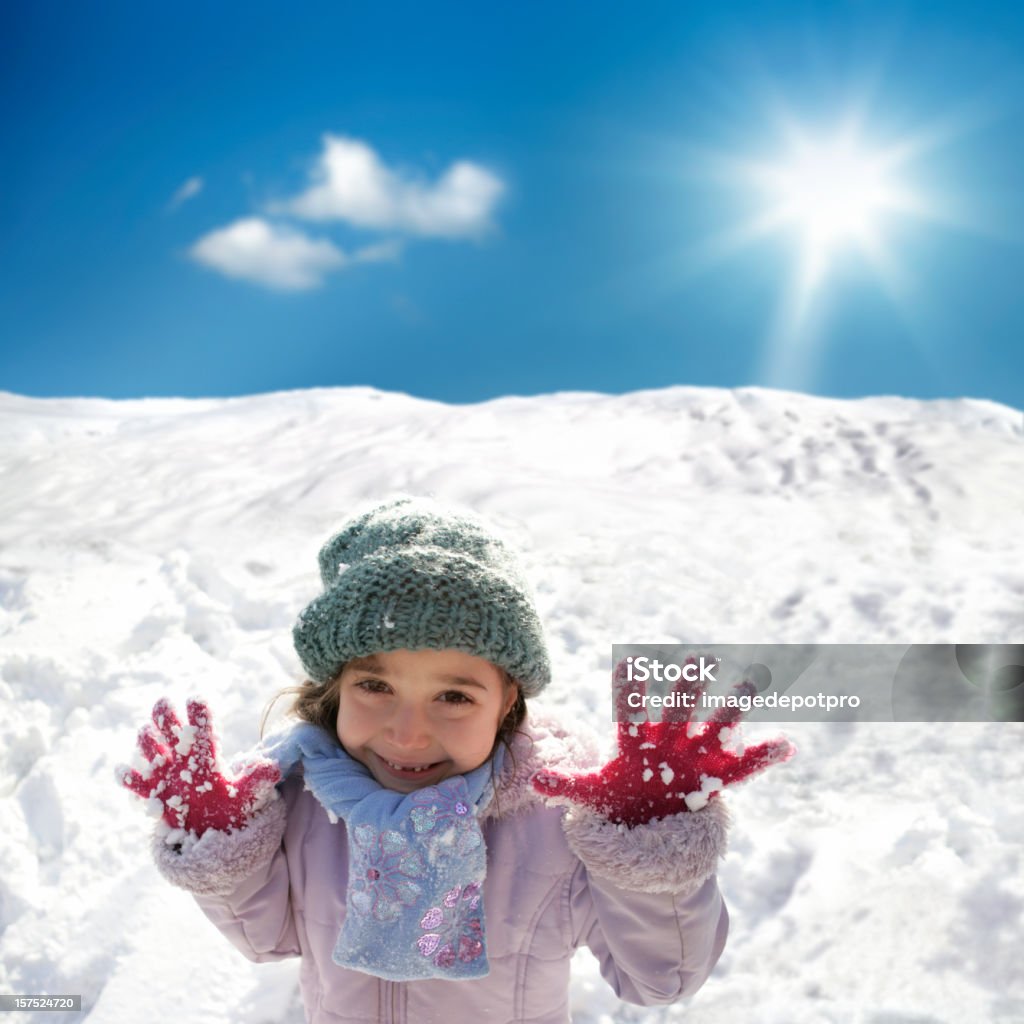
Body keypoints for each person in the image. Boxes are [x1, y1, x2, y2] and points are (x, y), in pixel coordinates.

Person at [119, 497, 794, 1024]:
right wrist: (223, 850)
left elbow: (661, 979)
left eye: (453, 695)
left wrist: (650, 853)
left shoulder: (556, 819)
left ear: (508, 703)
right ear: (333, 688)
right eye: (375, 686)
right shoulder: (299, 799)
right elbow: (265, 941)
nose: (408, 734)